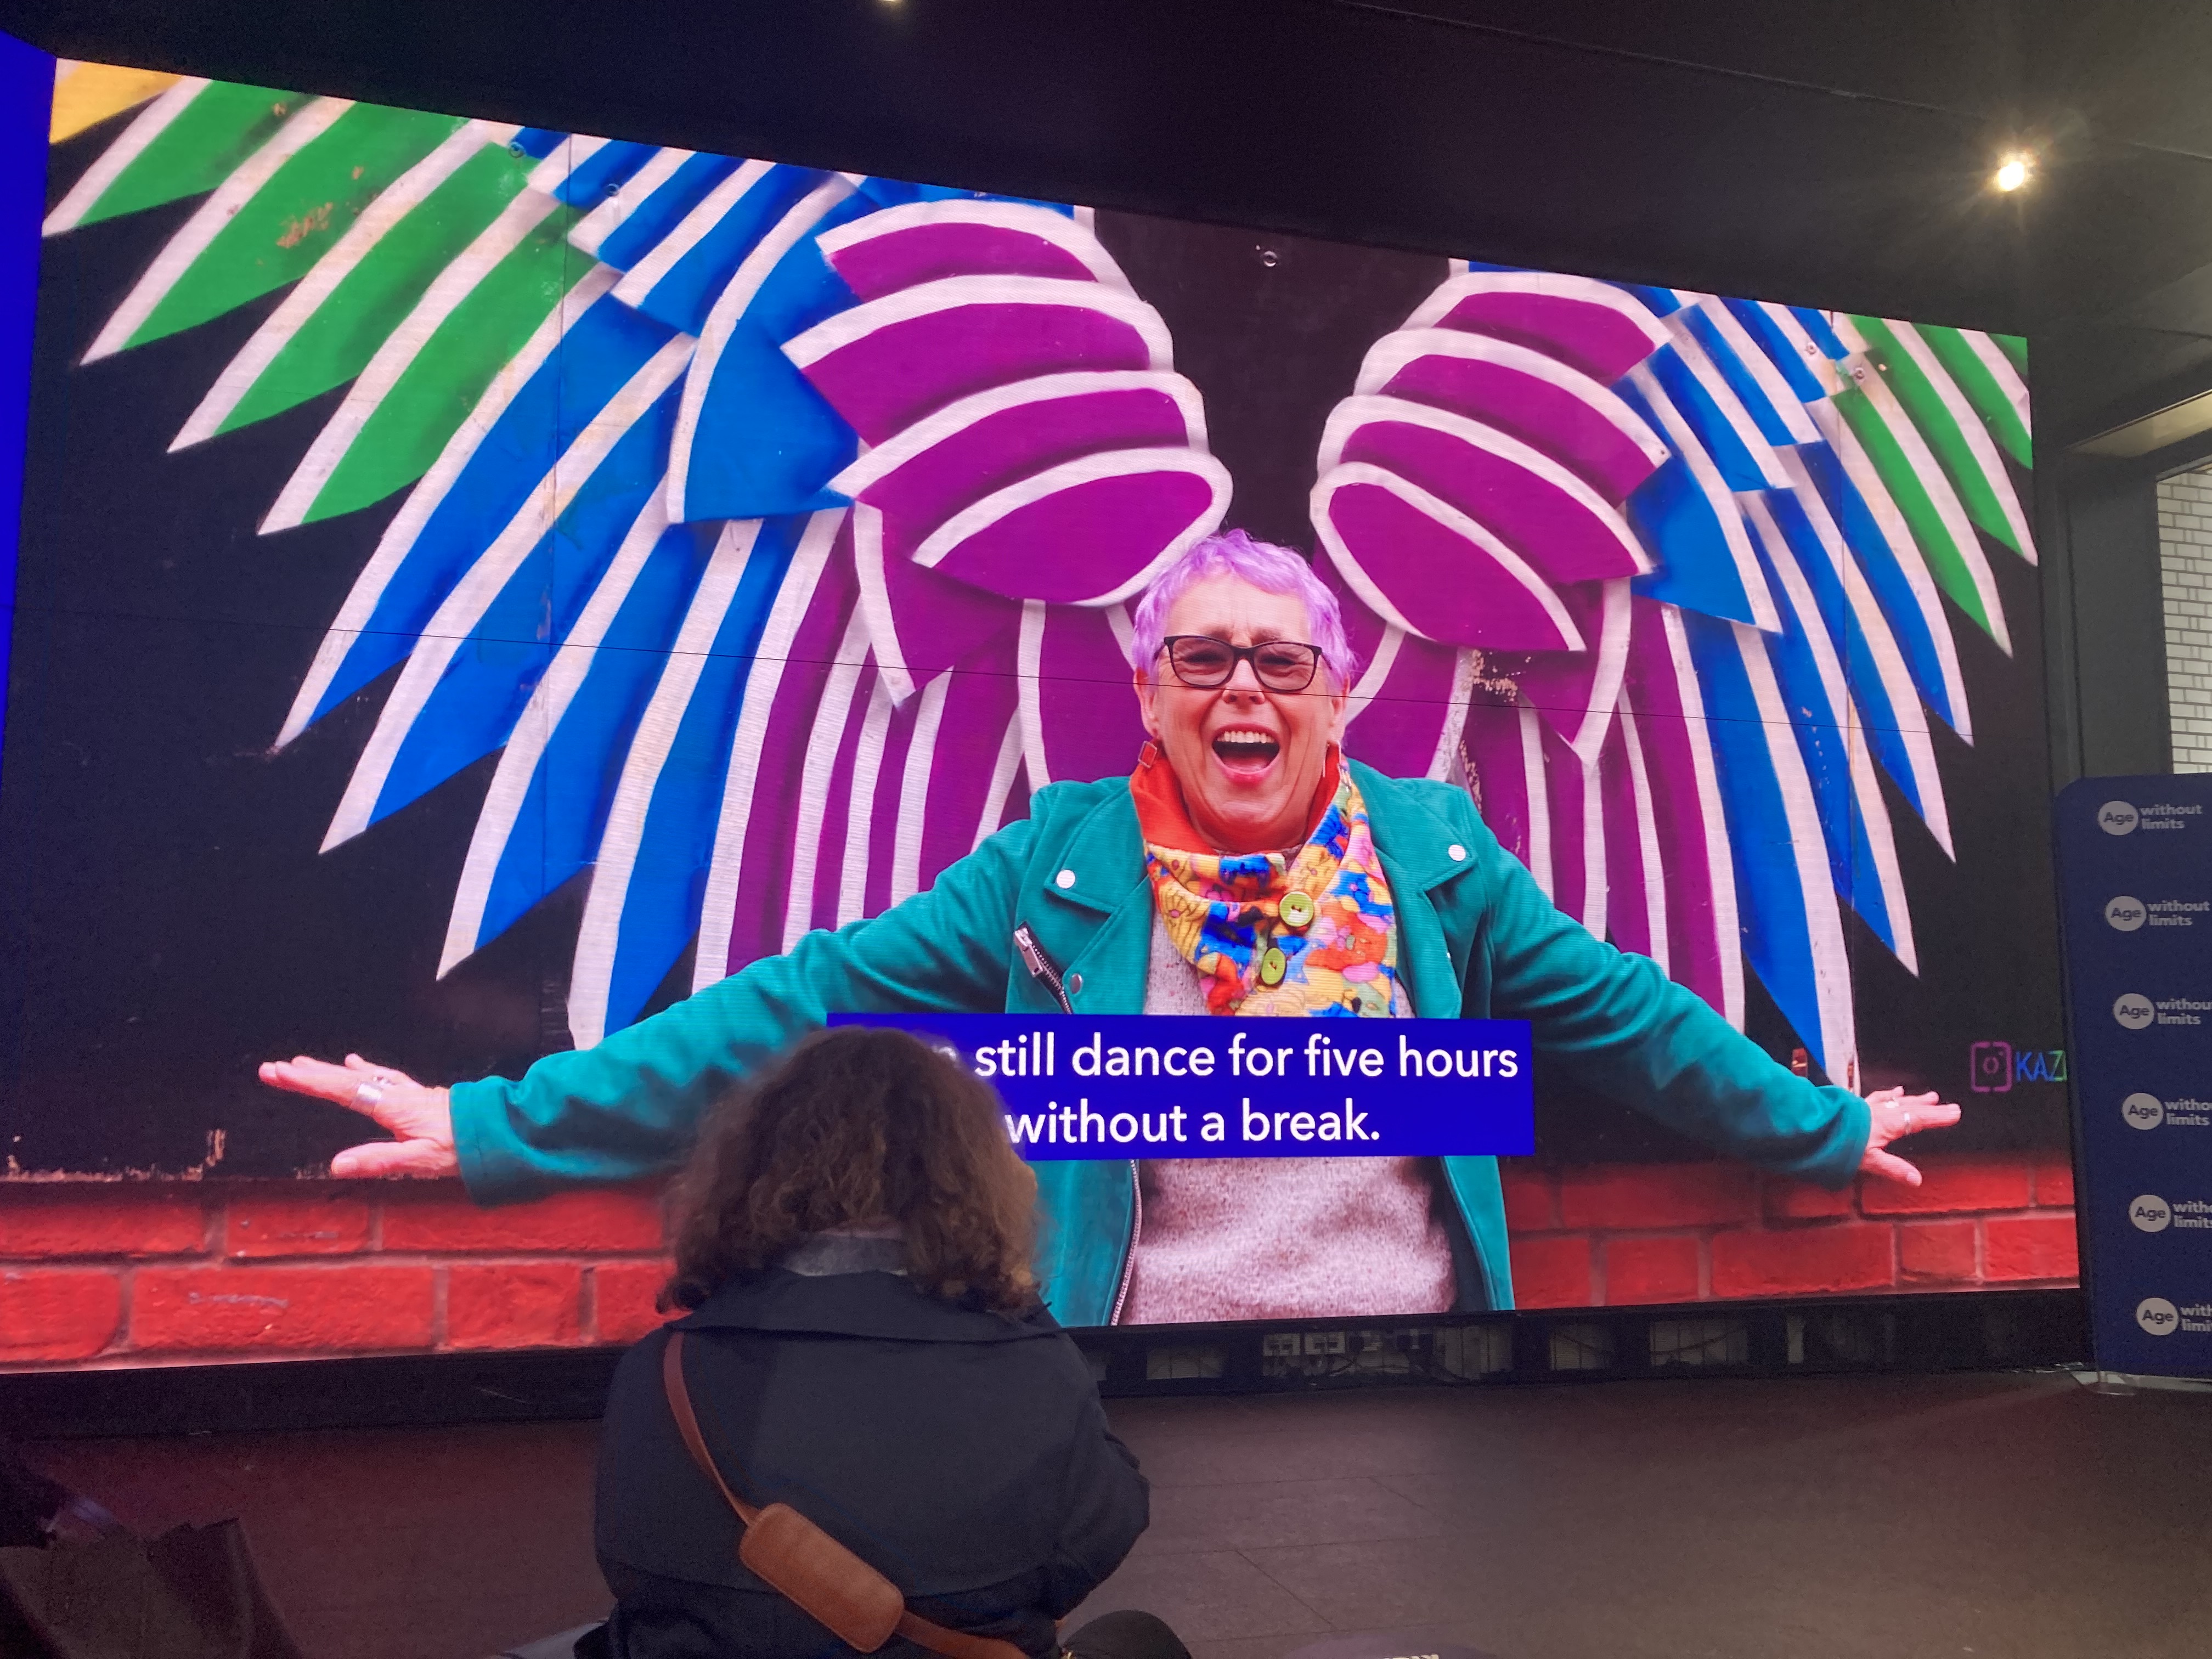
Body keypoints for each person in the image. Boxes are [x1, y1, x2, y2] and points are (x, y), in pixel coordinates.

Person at [262, 530, 1960, 1323]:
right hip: (1129, 1383)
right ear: (1149, 693)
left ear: (1337, 695)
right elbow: (801, 1005)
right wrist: (497, 1124)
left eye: (1280, 661)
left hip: (1419, 1368)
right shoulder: (1054, 866)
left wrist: (1816, 1127)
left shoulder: (1439, 858)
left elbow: (1631, 1018)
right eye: (1201, 659)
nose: (1242, 690)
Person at [589, 1026, 1165, 1659]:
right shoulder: (1034, 1374)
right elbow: (1102, 1534)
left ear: (753, 1171)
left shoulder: (657, 1372)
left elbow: (630, 1572)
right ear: (970, 1177)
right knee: (1141, 1639)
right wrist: (1015, 1292)